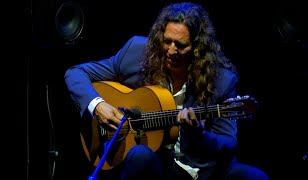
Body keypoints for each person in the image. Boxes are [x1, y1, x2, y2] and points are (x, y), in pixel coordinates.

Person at [64, 2, 269, 180]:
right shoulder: (136, 53)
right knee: (139, 155)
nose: (171, 51)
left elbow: (229, 144)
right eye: (167, 41)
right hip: (158, 165)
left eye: (181, 45)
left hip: (204, 168)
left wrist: (199, 135)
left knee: (255, 176)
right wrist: (97, 105)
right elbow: (76, 73)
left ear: (198, 48)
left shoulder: (221, 80)